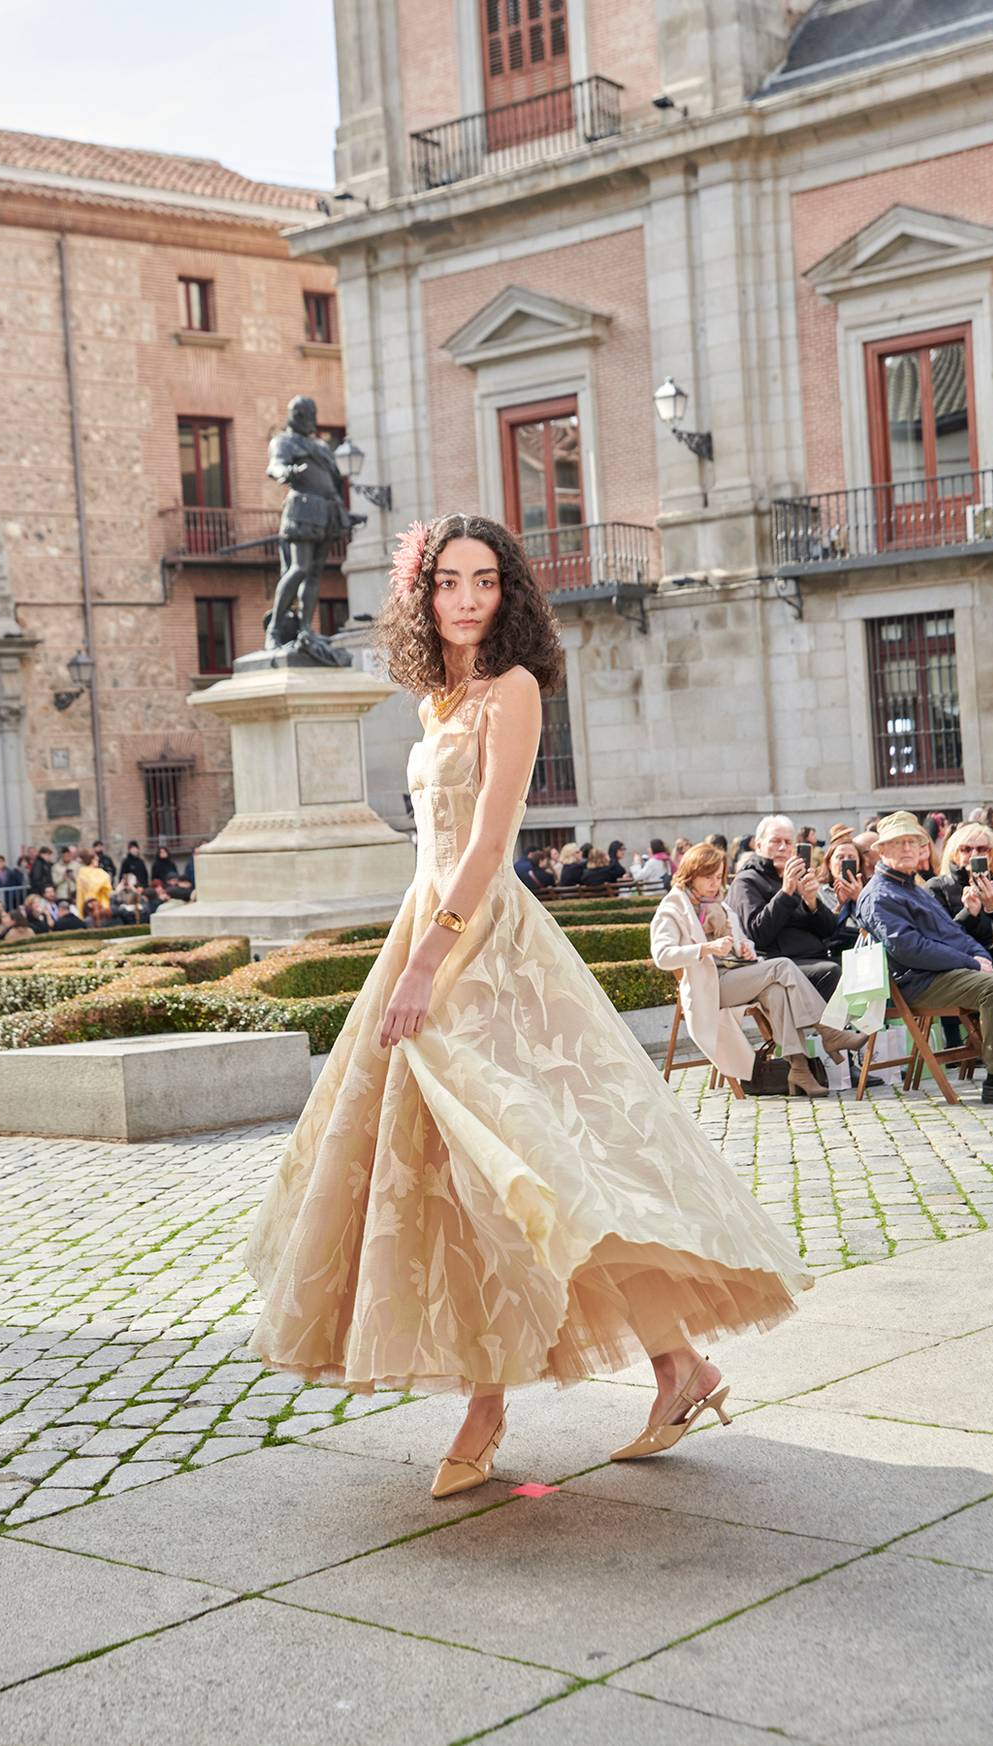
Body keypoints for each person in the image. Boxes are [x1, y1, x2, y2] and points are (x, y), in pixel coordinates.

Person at [244, 511, 812, 1497]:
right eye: (449, 583)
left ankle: (513, 1399)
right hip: (426, 930)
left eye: (485, 582)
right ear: (424, 597)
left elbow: (488, 843)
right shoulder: (438, 698)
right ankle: (653, 1370)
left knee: (540, 1167)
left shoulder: (511, 689)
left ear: (509, 594)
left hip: (482, 951)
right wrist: (412, 952)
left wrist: (427, 965)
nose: (467, 599)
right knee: (461, 1173)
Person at [651, 844, 864, 1099]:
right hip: (706, 986)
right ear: (690, 874)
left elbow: (745, 940)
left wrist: (745, 949)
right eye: (708, 877)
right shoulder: (673, 907)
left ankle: (799, 1068)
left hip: (734, 975)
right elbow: (662, 956)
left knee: (776, 992)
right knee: (783, 965)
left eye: (718, 877)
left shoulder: (720, 903)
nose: (714, 883)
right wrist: (705, 948)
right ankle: (828, 1032)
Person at [857, 810, 993, 1107]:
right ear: (882, 850)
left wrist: (977, 954)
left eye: (913, 842)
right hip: (915, 981)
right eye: (899, 843)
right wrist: (972, 963)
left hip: (940, 973)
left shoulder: (914, 887)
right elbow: (910, 949)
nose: (908, 849)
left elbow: (952, 932)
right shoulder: (880, 894)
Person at [727, 814, 840, 997]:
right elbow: (757, 935)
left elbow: (829, 931)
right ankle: (827, 1025)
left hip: (813, 955)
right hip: (776, 964)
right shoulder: (746, 882)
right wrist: (786, 892)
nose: (782, 847)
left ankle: (864, 1024)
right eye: (775, 841)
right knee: (831, 971)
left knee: (856, 963)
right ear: (758, 845)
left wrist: (812, 903)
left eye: (788, 842)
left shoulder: (796, 877)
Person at [927, 821, 993, 968]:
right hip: (967, 968)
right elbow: (940, 940)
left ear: (991, 854)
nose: (974, 854)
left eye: (981, 849)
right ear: (954, 854)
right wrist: (968, 914)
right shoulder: (937, 887)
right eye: (966, 849)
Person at [74, 847, 112, 917]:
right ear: (92, 860)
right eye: (96, 858)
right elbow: (108, 891)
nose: (98, 859)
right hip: (101, 909)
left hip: (85, 910)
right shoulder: (100, 874)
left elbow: (79, 897)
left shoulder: (80, 874)